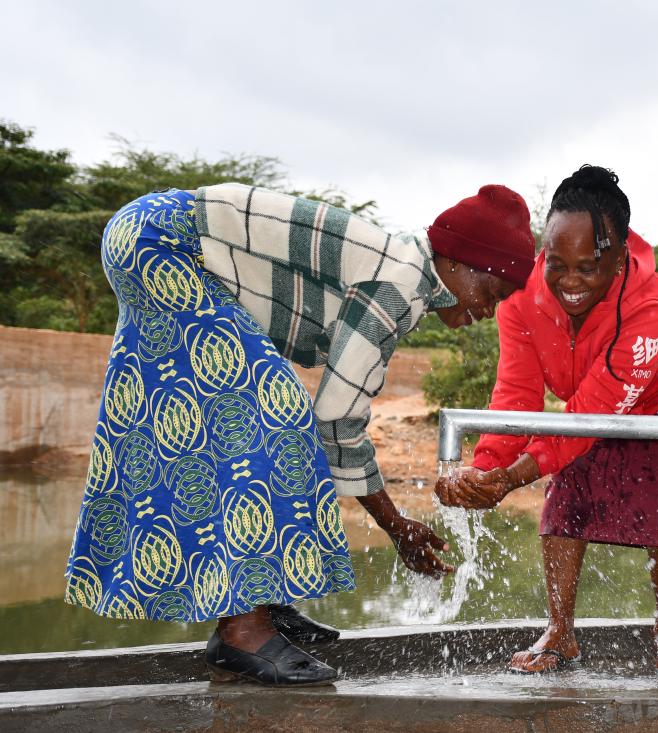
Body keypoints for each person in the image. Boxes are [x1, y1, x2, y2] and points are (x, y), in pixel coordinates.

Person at [65, 182, 536, 686]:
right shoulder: (399, 282)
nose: (487, 312)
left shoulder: (404, 272)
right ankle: (243, 629)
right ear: (462, 264)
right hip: (161, 241)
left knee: (241, 420)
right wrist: (395, 525)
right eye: (491, 295)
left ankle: (259, 599)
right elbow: (337, 418)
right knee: (277, 414)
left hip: (152, 237)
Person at [435, 165, 658, 675]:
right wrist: (485, 467)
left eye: (588, 266)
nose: (569, 281)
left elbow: (592, 416)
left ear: (619, 254)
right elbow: (516, 395)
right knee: (568, 493)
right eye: (557, 264)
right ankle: (560, 631)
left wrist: (510, 477)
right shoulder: (520, 296)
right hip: (597, 401)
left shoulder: (651, 308)